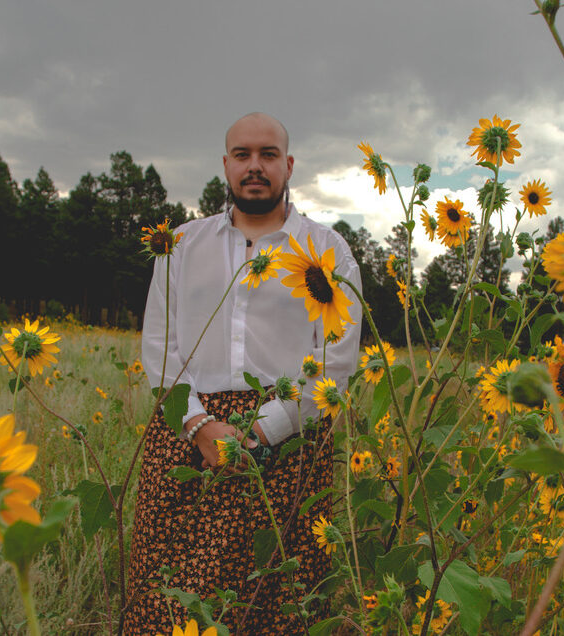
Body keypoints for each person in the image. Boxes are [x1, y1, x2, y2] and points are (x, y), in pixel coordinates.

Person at [124, 112, 362, 634]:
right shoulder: (181, 247)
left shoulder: (328, 251)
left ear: (289, 165)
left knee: (277, 601)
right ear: (226, 165)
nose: (255, 166)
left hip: (286, 445)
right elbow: (160, 350)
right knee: (170, 601)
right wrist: (201, 426)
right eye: (243, 155)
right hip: (187, 438)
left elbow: (337, 363)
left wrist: (262, 428)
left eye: (268, 155)